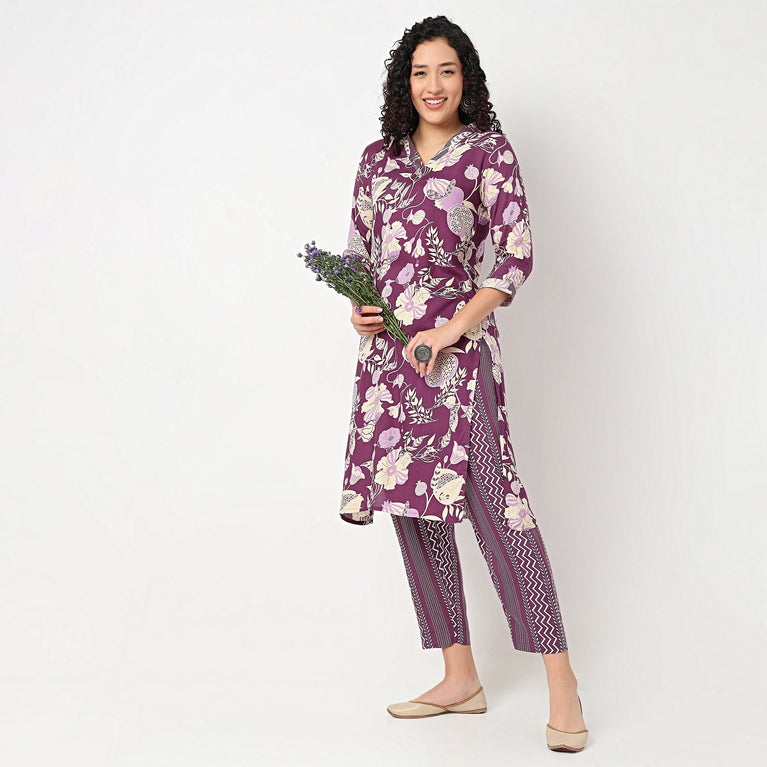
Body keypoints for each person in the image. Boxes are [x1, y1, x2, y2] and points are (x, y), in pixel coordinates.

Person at [337, 15, 589, 752]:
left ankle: (562, 683)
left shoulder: (487, 153)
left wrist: (453, 328)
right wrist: (358, 306)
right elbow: (357, 252)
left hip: (457, 359)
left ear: (465, 79)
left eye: (446, 70)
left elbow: (513, 255)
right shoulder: (377, 160)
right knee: (413, 510)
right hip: (390, 363)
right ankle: (458, 676)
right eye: (420, 72)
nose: (433, 84)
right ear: (403, 83)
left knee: (499, 509)